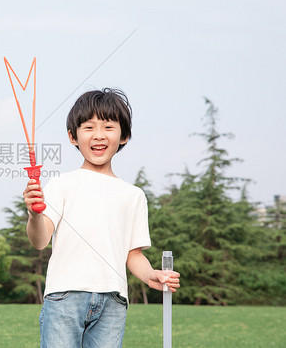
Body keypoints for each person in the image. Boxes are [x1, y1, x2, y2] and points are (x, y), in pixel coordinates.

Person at [23, 89, 180, 348]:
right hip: (65, 297)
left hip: (113, 303)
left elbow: (133, 254)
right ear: (73, 137)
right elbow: (40, 241)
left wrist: (151, 274)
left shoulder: (134, 195)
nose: (98, 134)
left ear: (124, 135)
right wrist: (34, 214)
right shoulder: (62, 184)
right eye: (88, 127)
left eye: (108, 126)